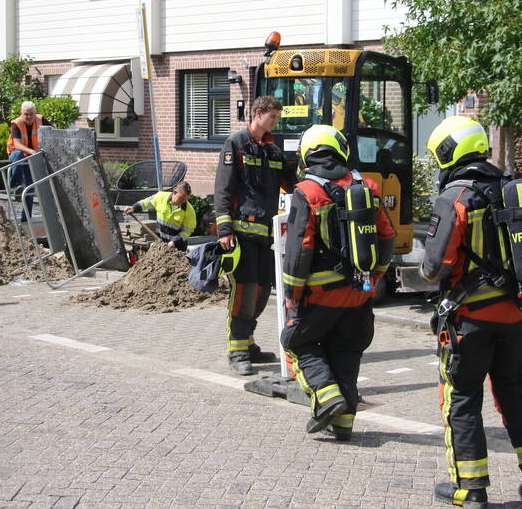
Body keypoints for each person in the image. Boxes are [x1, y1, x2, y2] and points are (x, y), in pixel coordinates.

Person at [422, 116, 522, 508]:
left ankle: (471, 487)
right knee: (516, 391)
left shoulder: (456, 197)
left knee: (461, 397)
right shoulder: (512, 191)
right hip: (517, 315)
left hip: (471, 320)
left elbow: (435, 266)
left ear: (450, 152)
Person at [280, 125, 395, 441]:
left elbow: (299, 248)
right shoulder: (367, 186)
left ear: (306, 154)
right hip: (360, 294)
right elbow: (387, 236)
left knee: (295, 342)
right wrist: (375, 276)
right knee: (346, 353)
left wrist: (292, 293)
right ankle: (343, 425)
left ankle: (326, 396)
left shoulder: (308, 191)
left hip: (320, 295)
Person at [214, 95, 293, 375]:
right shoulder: (235, 144)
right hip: (242, 235)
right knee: (244, 291)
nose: (276, 122)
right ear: (258, 113)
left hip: (267, 237)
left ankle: (248, 342)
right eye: (272, 117)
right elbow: (223, 190)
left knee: (260, 293)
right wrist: (224, 229)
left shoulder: (273, 149)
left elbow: (290, 181)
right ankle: (236, 351)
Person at [7, 101, 51, 221]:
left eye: (31, 114)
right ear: (21, 113)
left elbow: (53, 133)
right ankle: (15, 184)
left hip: (31, 158)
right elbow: (17, 144)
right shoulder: (16, 123)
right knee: (18, 154)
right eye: (26, 114)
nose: (29, 117)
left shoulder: (41, 119)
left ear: (35, 113)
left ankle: (25, 221)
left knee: (29, 190)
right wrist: (32, 151)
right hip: (17, 156)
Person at [123, 181, 197, 251]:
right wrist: (133, 208)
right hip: (160, 243)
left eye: (185, 200)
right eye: (181, 198)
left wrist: (174, 242)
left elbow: (187, 231)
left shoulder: (189, 211)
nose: (182, 202)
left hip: (178, 248)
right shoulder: (161, 197)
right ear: (174, 192)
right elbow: (146, 203)